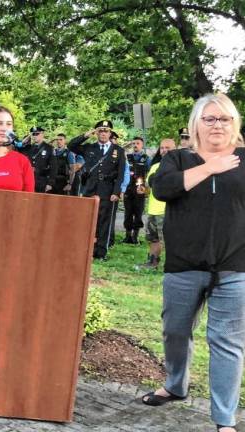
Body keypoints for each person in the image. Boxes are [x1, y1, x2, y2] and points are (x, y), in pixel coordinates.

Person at [143, 93, 245, 432]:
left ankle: (225, 419)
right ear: (196, 124)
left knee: (227, 342)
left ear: (235, 123)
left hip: (236, 267)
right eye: (210, 119)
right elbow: (162, 189)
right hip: (184, 264)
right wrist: (209, 167)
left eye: (225, 119)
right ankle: (175, 384)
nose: (218, 125)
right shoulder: (177, 159)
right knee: (175, 331)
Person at [68, 120, 126, 259]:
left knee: (105, 221)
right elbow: (71, 145)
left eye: (106, 131)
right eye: (100, 130)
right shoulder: (89, 148)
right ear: (96, 133)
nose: (103, 133)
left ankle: (101, 252)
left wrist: (116, 192)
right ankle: (86, 250)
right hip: (90, 187)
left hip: (108, 189)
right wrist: (87, 134)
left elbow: (120, 174)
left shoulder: (118, 151)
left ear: (110, 133)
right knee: (88, 220)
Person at [139, 138, 176, 269]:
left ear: (175, 150)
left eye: (168, 148)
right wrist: (144, 189)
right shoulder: (155, 166)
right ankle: (152, 263)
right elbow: (150, 187)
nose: (164, 150)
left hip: (166, 210)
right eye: (162, 148)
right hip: (152, 209)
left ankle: (173, 266)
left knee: (168, 241)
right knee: (152, 238)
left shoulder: (177, 167)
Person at [122, 137, 150, 244]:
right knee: (128, 212)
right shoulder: (127, 158)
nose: (135, 145)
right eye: (133, 143)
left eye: (137, 143)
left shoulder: (146, 159)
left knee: (138, 213)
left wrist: (146, 188)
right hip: (128, 189)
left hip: (140, 190)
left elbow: (149, 174)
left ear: (142, 145)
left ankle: (135, 236)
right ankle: (127, 236)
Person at [18, 126, 58, 193]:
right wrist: (26, 139)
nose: (34, 136)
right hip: (29, 179)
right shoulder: (29, 148)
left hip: (42, 181)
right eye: (33, 134)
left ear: (42, 134)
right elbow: (18, 148)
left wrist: (50, 183)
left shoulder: (49, 148)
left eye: (37, 134)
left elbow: (54, 167)